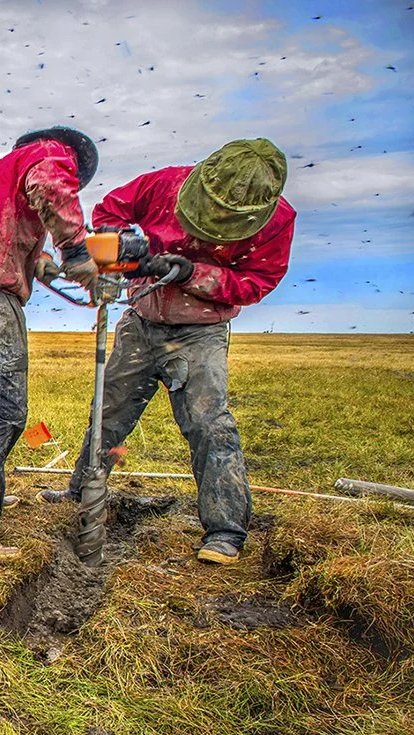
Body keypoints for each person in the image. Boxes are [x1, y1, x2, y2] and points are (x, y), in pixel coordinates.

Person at [38, 138, 295, 565]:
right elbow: (110, 209)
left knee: (209, 424)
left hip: (200, 332)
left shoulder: (278, 222)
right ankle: (81, 494)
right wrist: (130, 245)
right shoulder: (164, 185)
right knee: (108, 413)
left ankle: (225, 531)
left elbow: (256, 283)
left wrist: (196, 273)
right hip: (141, 320)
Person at [0, 127, 100, 559]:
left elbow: (11, 236)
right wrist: (77, 251)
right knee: (3, 412)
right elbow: (51, 187)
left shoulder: (5, 174)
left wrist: (41, 265)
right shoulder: (50, 154)